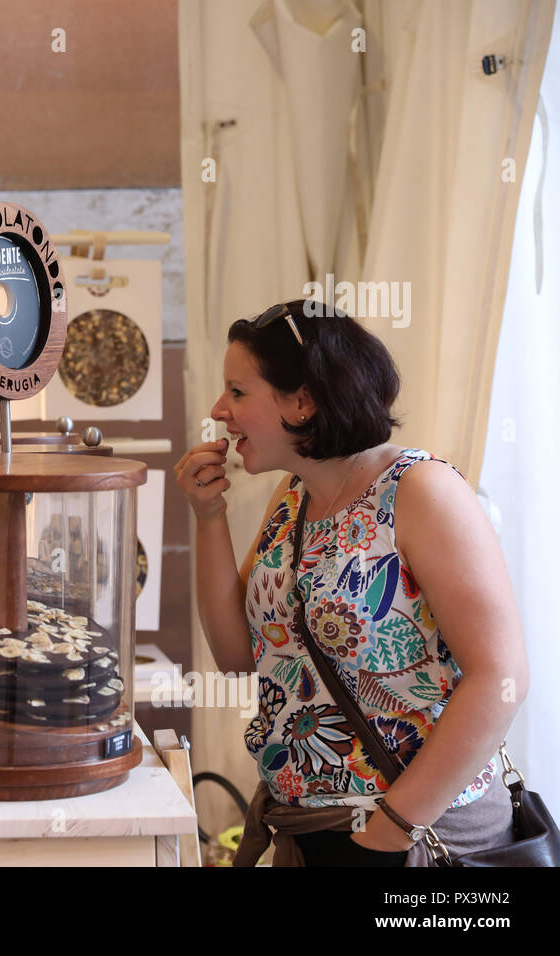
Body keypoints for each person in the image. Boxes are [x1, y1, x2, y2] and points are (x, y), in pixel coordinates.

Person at [174, 299, 528, 866]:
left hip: (419, 835)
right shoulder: (293, 497)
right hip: (311, 829)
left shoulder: (420, 491)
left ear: (304, 401)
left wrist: (388, 832)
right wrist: (209, 518)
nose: (220, 410)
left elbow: (500, 677)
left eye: (238, 392)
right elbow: (238, 656)